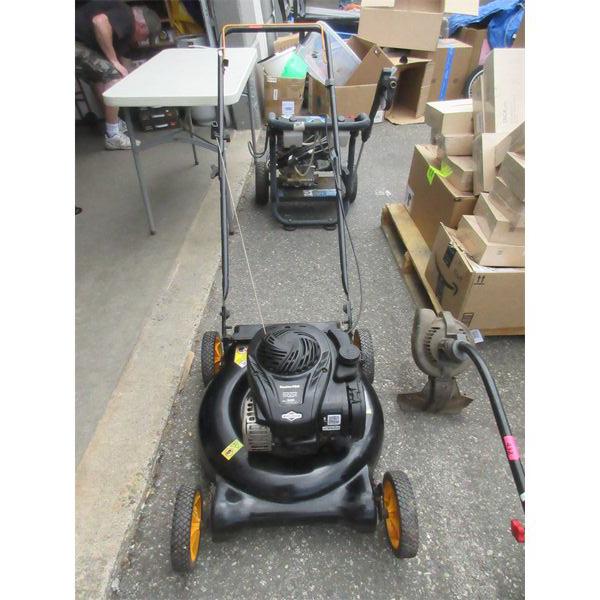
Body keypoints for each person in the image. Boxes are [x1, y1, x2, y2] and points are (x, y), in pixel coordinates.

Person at [75, 1, 161, 150]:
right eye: (145, 37)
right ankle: (113, 135)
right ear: (141, 26)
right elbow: (99, 21)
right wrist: (113, 61)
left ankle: (113, 122)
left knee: (102, 77)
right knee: (113, 76)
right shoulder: (126, 16)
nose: (142, 41)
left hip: (79, 43)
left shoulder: (120, 28)